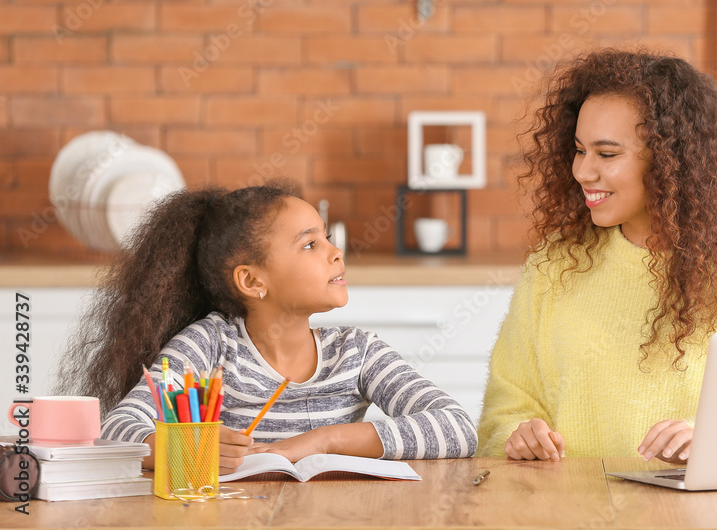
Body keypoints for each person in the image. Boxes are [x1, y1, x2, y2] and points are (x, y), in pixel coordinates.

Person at [476, 48, 717, 464]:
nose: (582, 171)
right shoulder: (554, 266)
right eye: (580, 150)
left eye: (607, 154)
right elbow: (502, 414)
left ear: (670, 162)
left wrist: (716, 440)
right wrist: (518, 437)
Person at [57, 180, 477, 473]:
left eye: (327, 238)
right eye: (311, 244)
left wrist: (324, 440)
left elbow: (457, 428)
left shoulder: (359, 352)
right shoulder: (210, 345)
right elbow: (117, 428)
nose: (336, 252)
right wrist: (181, 446)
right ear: (252, 281)